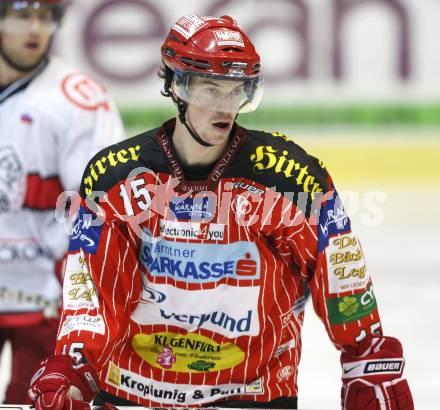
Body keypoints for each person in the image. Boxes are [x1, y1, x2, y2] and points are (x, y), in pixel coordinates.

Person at [28, 13, 413, 410]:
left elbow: (338, 265)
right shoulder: (115, 178)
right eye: (210, 89)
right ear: (176, 87)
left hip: (253, 396)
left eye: (236, 91)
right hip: (133, 395)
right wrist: (75, 365)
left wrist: (366, 353)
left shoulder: (291, 178)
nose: (226, 106)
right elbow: (93, 289)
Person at [0, 0, 125, 404]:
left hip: (47, 298)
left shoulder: (79, 100)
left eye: (46, 17)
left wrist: (82, 290)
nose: (35, 28)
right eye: (21, 16)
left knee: (37, 400)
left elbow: (103, 208)